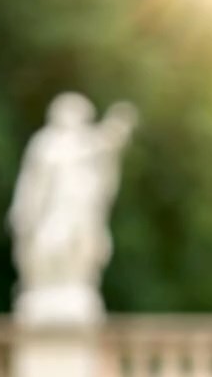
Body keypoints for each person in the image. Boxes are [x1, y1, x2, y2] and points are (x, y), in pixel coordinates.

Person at [9, 92, 137, 325]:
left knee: (79, 249)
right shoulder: (45, 143)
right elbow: (31, 181)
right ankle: (48, 288)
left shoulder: (87, 142)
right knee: (48, 245)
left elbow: (108, 148)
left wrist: (119, 125)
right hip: (51, 208)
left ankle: (72, 287)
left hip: (79, 206)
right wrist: (24, 209)